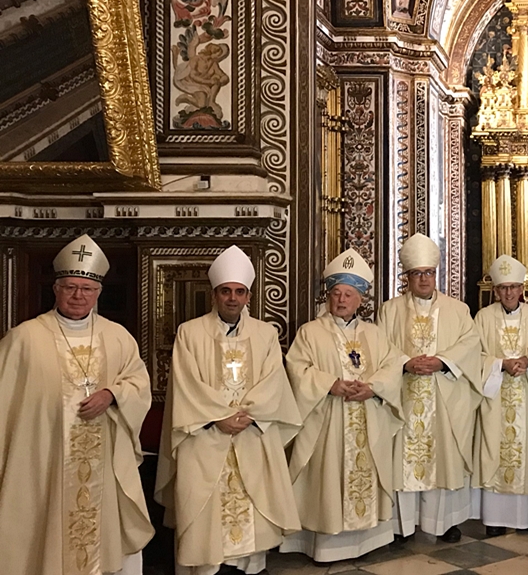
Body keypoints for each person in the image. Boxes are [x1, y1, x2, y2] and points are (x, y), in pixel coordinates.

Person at [0, 235, 153, 575]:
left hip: (103, 457)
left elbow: (138, 382)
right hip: (44, 460)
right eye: (70, 287)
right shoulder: (24, 338)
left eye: (86, 288)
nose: (78, 295)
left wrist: (112, 394)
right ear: (56, 289)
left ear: (98, 293)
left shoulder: (117, 337)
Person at [154, 245, 301, 575]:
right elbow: (185, 382)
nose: (232, 298)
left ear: (248, 296)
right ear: (214, 294)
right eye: (225, 291)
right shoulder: (190, 333)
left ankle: (250, 564)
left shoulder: (265, 334)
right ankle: (206, 566)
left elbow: (273, 379)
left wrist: (248, 413)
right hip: (205, 435)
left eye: (239, 292)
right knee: (203, 505)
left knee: (252, 501)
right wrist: (219, 417)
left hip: (251, 431)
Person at [282, 249, 405, 562]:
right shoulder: (310, 332)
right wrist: (330, 384)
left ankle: (367, 540)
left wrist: (373, 388)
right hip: (328, 419)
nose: (341, 300)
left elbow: (392, 366)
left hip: (366, 416)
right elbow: (297, 368)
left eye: (348, 294)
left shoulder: (375, 334)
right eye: (336, 293)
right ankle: (324, 544)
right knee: (327, 478)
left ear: (360, 299)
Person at [377, 233, 482, 543]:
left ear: (436, 274)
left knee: (443, 458)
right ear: (407, 277)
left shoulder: (458, 309)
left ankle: (444, 522)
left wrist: (444, 361)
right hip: (405, 396)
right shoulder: (390, 310)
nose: (423, 279)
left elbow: (471, 343)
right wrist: (406, 363)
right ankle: (403, 525)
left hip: (444, 396)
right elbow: (381, 347)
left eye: (429, 273)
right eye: (417, 273)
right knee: (402, 458)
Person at [472, 255, 528, 536]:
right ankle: (494, 519)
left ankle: (526, 519)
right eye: (503, 288)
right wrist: (500, 364)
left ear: (522, 288)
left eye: (514, 287)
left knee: (526, 452)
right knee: (494, 450)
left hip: (526, 394)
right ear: (495, 291)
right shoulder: (482, 317)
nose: (509, 293)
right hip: (494, 396)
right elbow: (474, 354)